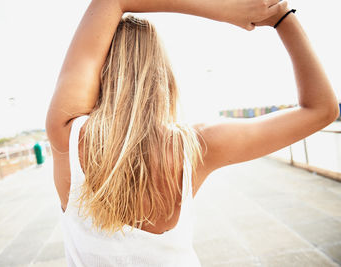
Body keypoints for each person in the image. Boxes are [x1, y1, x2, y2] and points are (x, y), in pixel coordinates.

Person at [46, 0, 339, 266]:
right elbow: (321, 110)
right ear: (161, 71)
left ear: (99, 72)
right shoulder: (197, 145)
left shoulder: (67, 137)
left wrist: (223, 9)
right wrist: (280, 16)